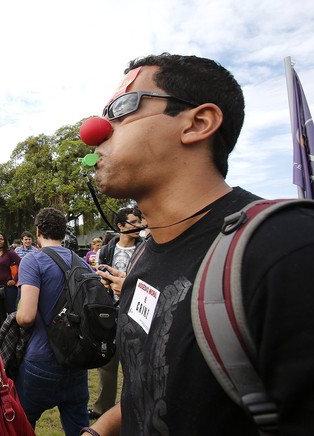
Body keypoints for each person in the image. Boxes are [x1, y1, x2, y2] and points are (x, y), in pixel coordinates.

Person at [83, 54, 314, 435]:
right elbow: (155, 389)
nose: (93, 131)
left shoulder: (285, 249)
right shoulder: (144, 255)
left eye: (121, 109)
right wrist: (100, 430)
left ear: (198, 123)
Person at [15, 207, 92, 435]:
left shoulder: (32, 261)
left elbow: (26, 317)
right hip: (76, 361)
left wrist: (16, 314)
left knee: (22, 424)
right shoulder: (82, 263)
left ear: (37, 231)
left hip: (41, 360)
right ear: (64, 231)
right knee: (79, 427)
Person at [88, 206, 144, 420]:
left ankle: (135, 408)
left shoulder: (146, 248)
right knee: (106, 365)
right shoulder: (107, 250)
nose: (139, 226)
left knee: (135, 365)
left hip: (136, 315)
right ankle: (103, 408)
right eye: (134, 222)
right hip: (110, 315)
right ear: (120, 226)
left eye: (140, 221)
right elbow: (98, 279)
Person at [0, 232, 21, 326]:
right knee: (1, 314)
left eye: (1, 239)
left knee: (11, 314)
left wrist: (14, 280)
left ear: (5, 241)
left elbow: (22, 264)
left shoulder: (10, 253)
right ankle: (2, 336)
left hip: (9, 288)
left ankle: (13, 337)